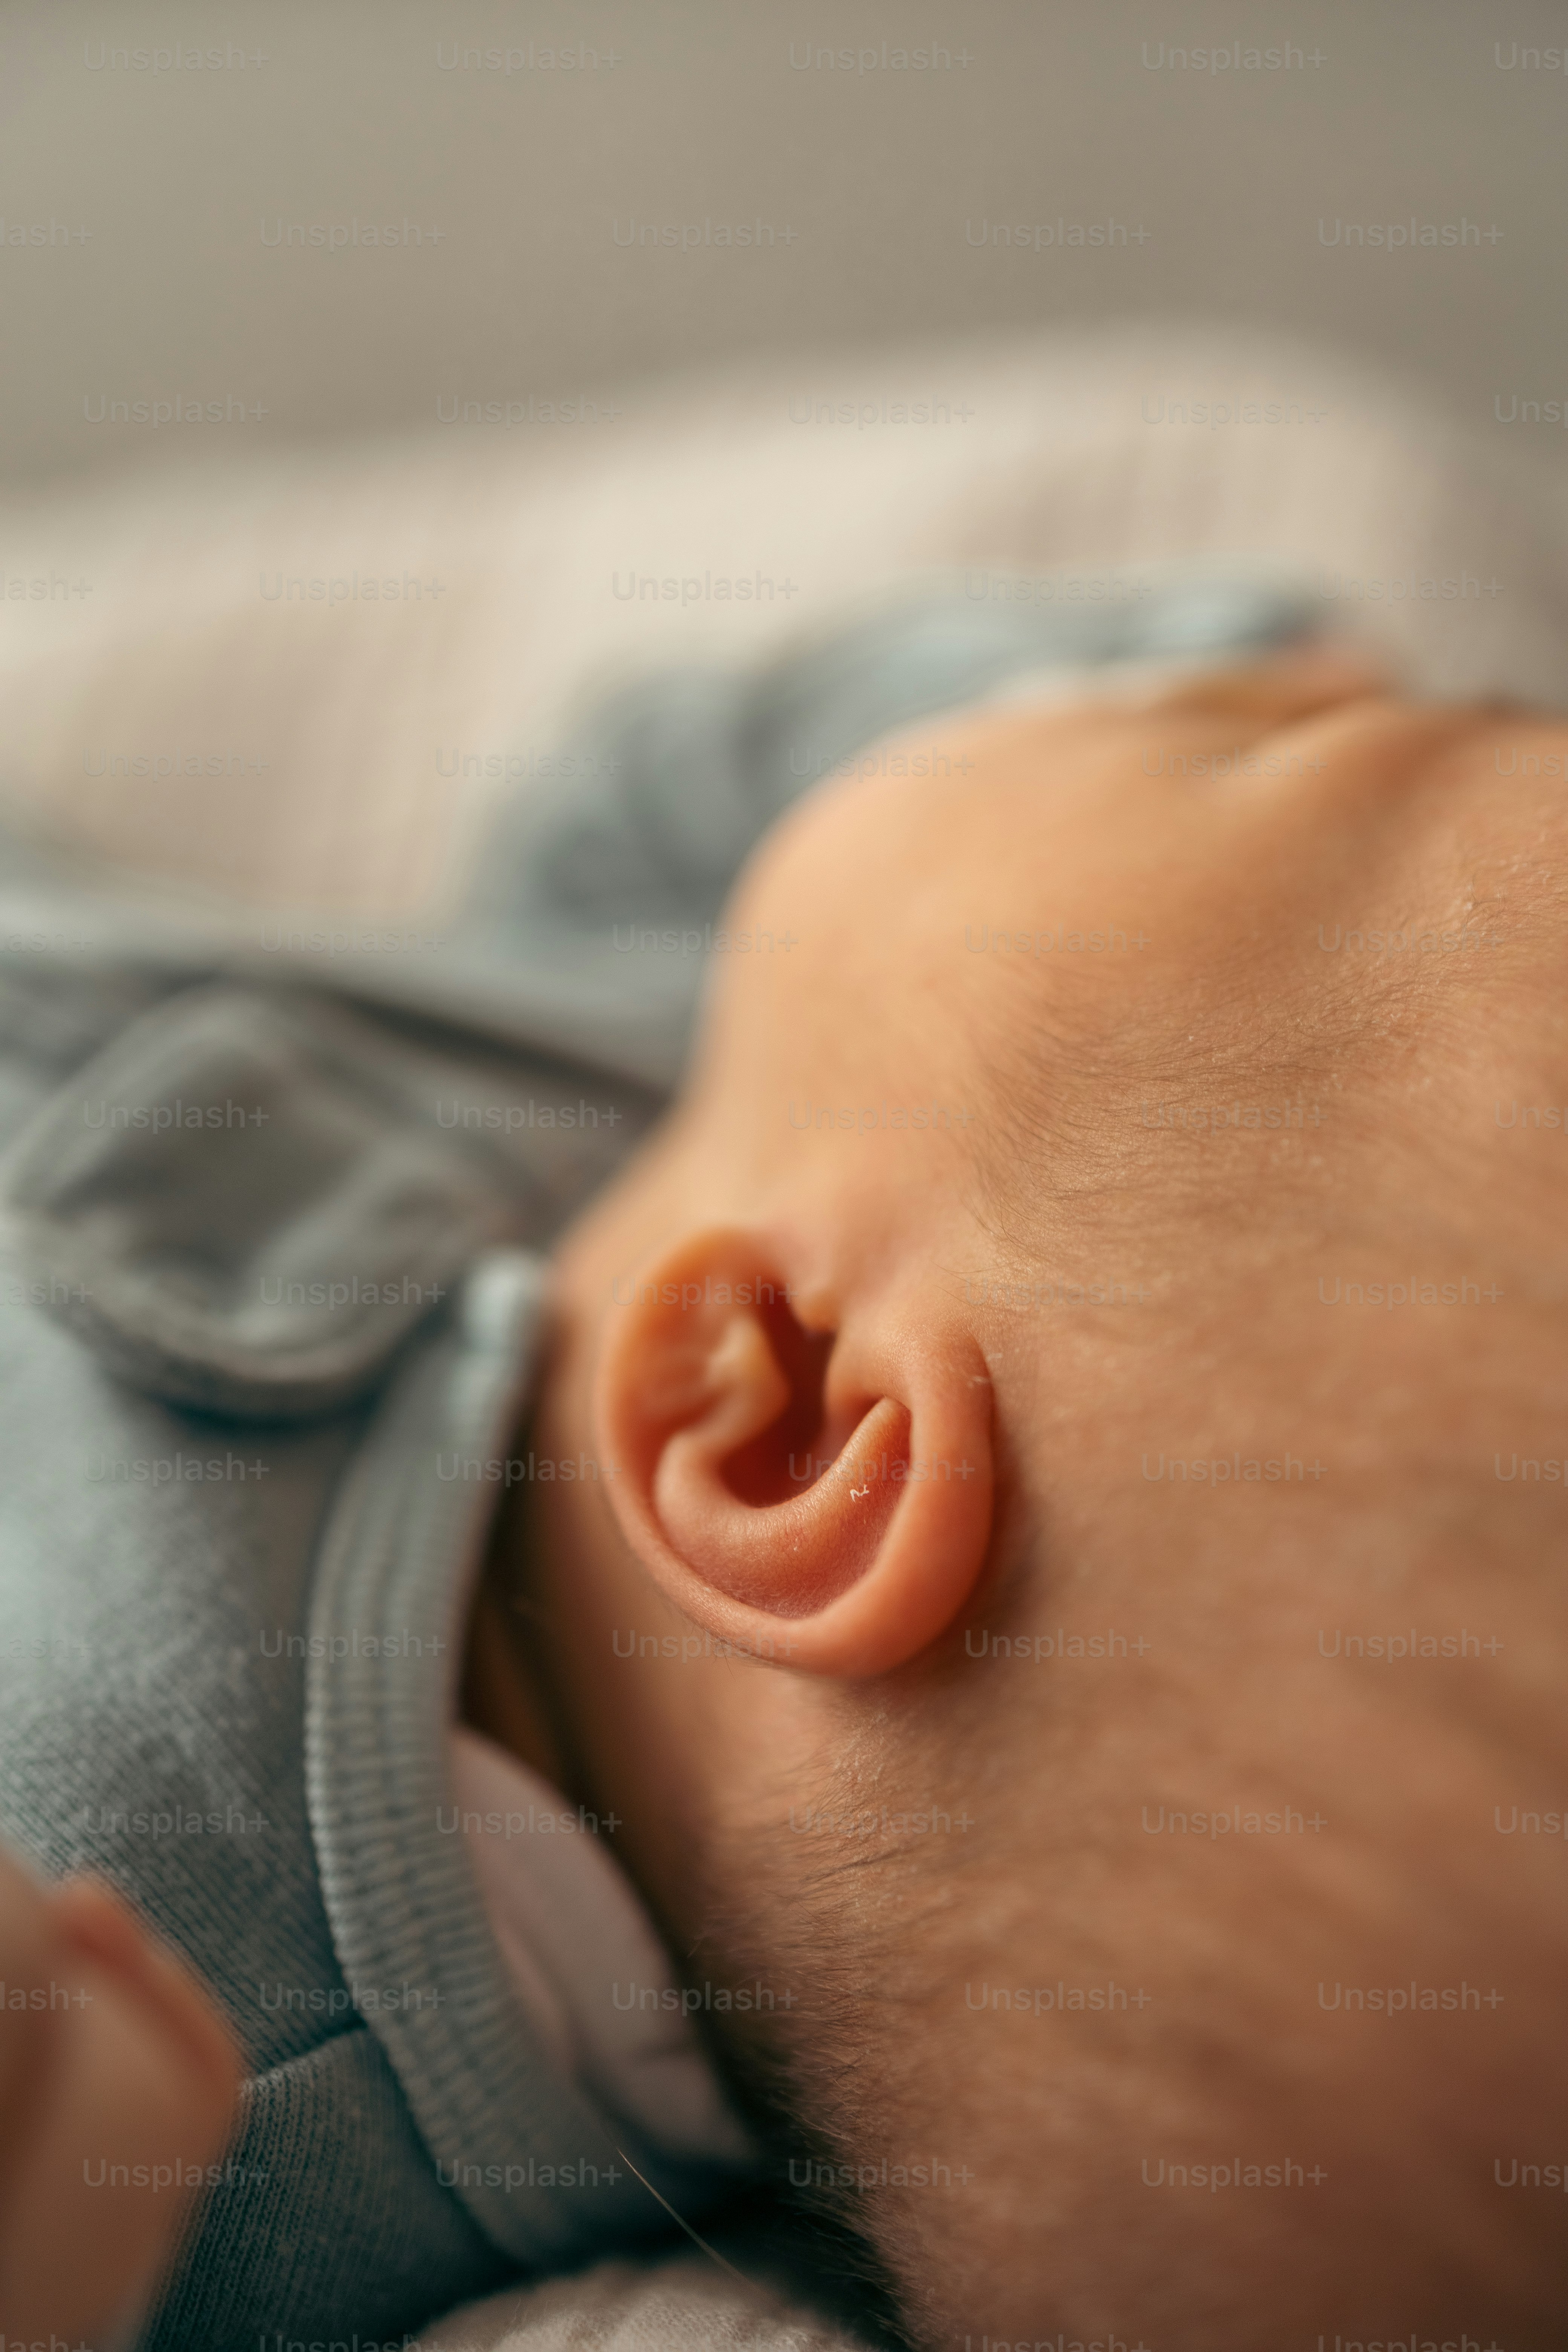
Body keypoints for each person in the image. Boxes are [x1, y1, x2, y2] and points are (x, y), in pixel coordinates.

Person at [0, 611, 1562, 2350]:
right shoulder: (768, 1126)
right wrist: (1208, 659)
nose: (1350, 671)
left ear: (786, 1430)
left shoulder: (142, 1963)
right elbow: (614, 818)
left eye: (1276, 755)